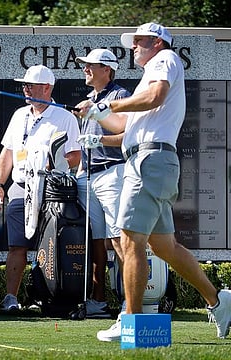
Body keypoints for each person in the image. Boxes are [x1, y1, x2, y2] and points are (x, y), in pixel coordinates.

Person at [82, 23, 231, 340]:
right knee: (165, 247)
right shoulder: (149, 75)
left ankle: (131, 319)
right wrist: (97, 118)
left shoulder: (164, 60)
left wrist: (107, 104)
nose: (133, 46)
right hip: (149, 160)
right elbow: (124, 129)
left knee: (128, 239)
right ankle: (219, 301)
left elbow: (155, 96)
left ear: (157, 42)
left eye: (138, 41)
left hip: (150, 162)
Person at [0, 65, 81, 311]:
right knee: (17, 245)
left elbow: (75, 155)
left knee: (49, 245)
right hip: (20, 187)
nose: (25, 89)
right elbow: (8, 152)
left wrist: (53, 163)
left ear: (47, 88)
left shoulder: (65, 117)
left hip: (51, 191)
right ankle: (11, 298)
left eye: (31, 85)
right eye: (24, 85)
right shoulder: (20, 115)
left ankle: (45, 296)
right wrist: (0, 184)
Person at [73, 49, 131, 318]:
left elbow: (127, 135)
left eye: (90, 66)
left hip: (112, 172)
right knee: (97, 241)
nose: (85, 69)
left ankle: (129, 300)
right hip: (89, 175)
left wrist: (99, 141)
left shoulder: (119, 96)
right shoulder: (88, 100)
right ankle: (98, 301)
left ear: (107, 69)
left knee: (118, 238)